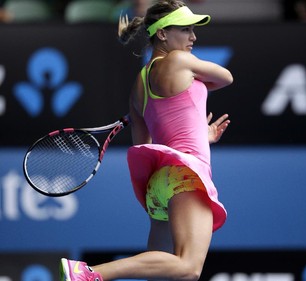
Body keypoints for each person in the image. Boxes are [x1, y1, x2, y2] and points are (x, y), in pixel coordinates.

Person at [60, 0, 233, 280]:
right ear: (162, 33)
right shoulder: (180, 60)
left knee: (163, 271)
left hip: (160, 185)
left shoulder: (139, 84)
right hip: (186, 176)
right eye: (186, 29)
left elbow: (146, 143)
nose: (193, 37)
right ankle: (89, 272)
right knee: (188, 267)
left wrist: (201, 135)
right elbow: (225, 77)